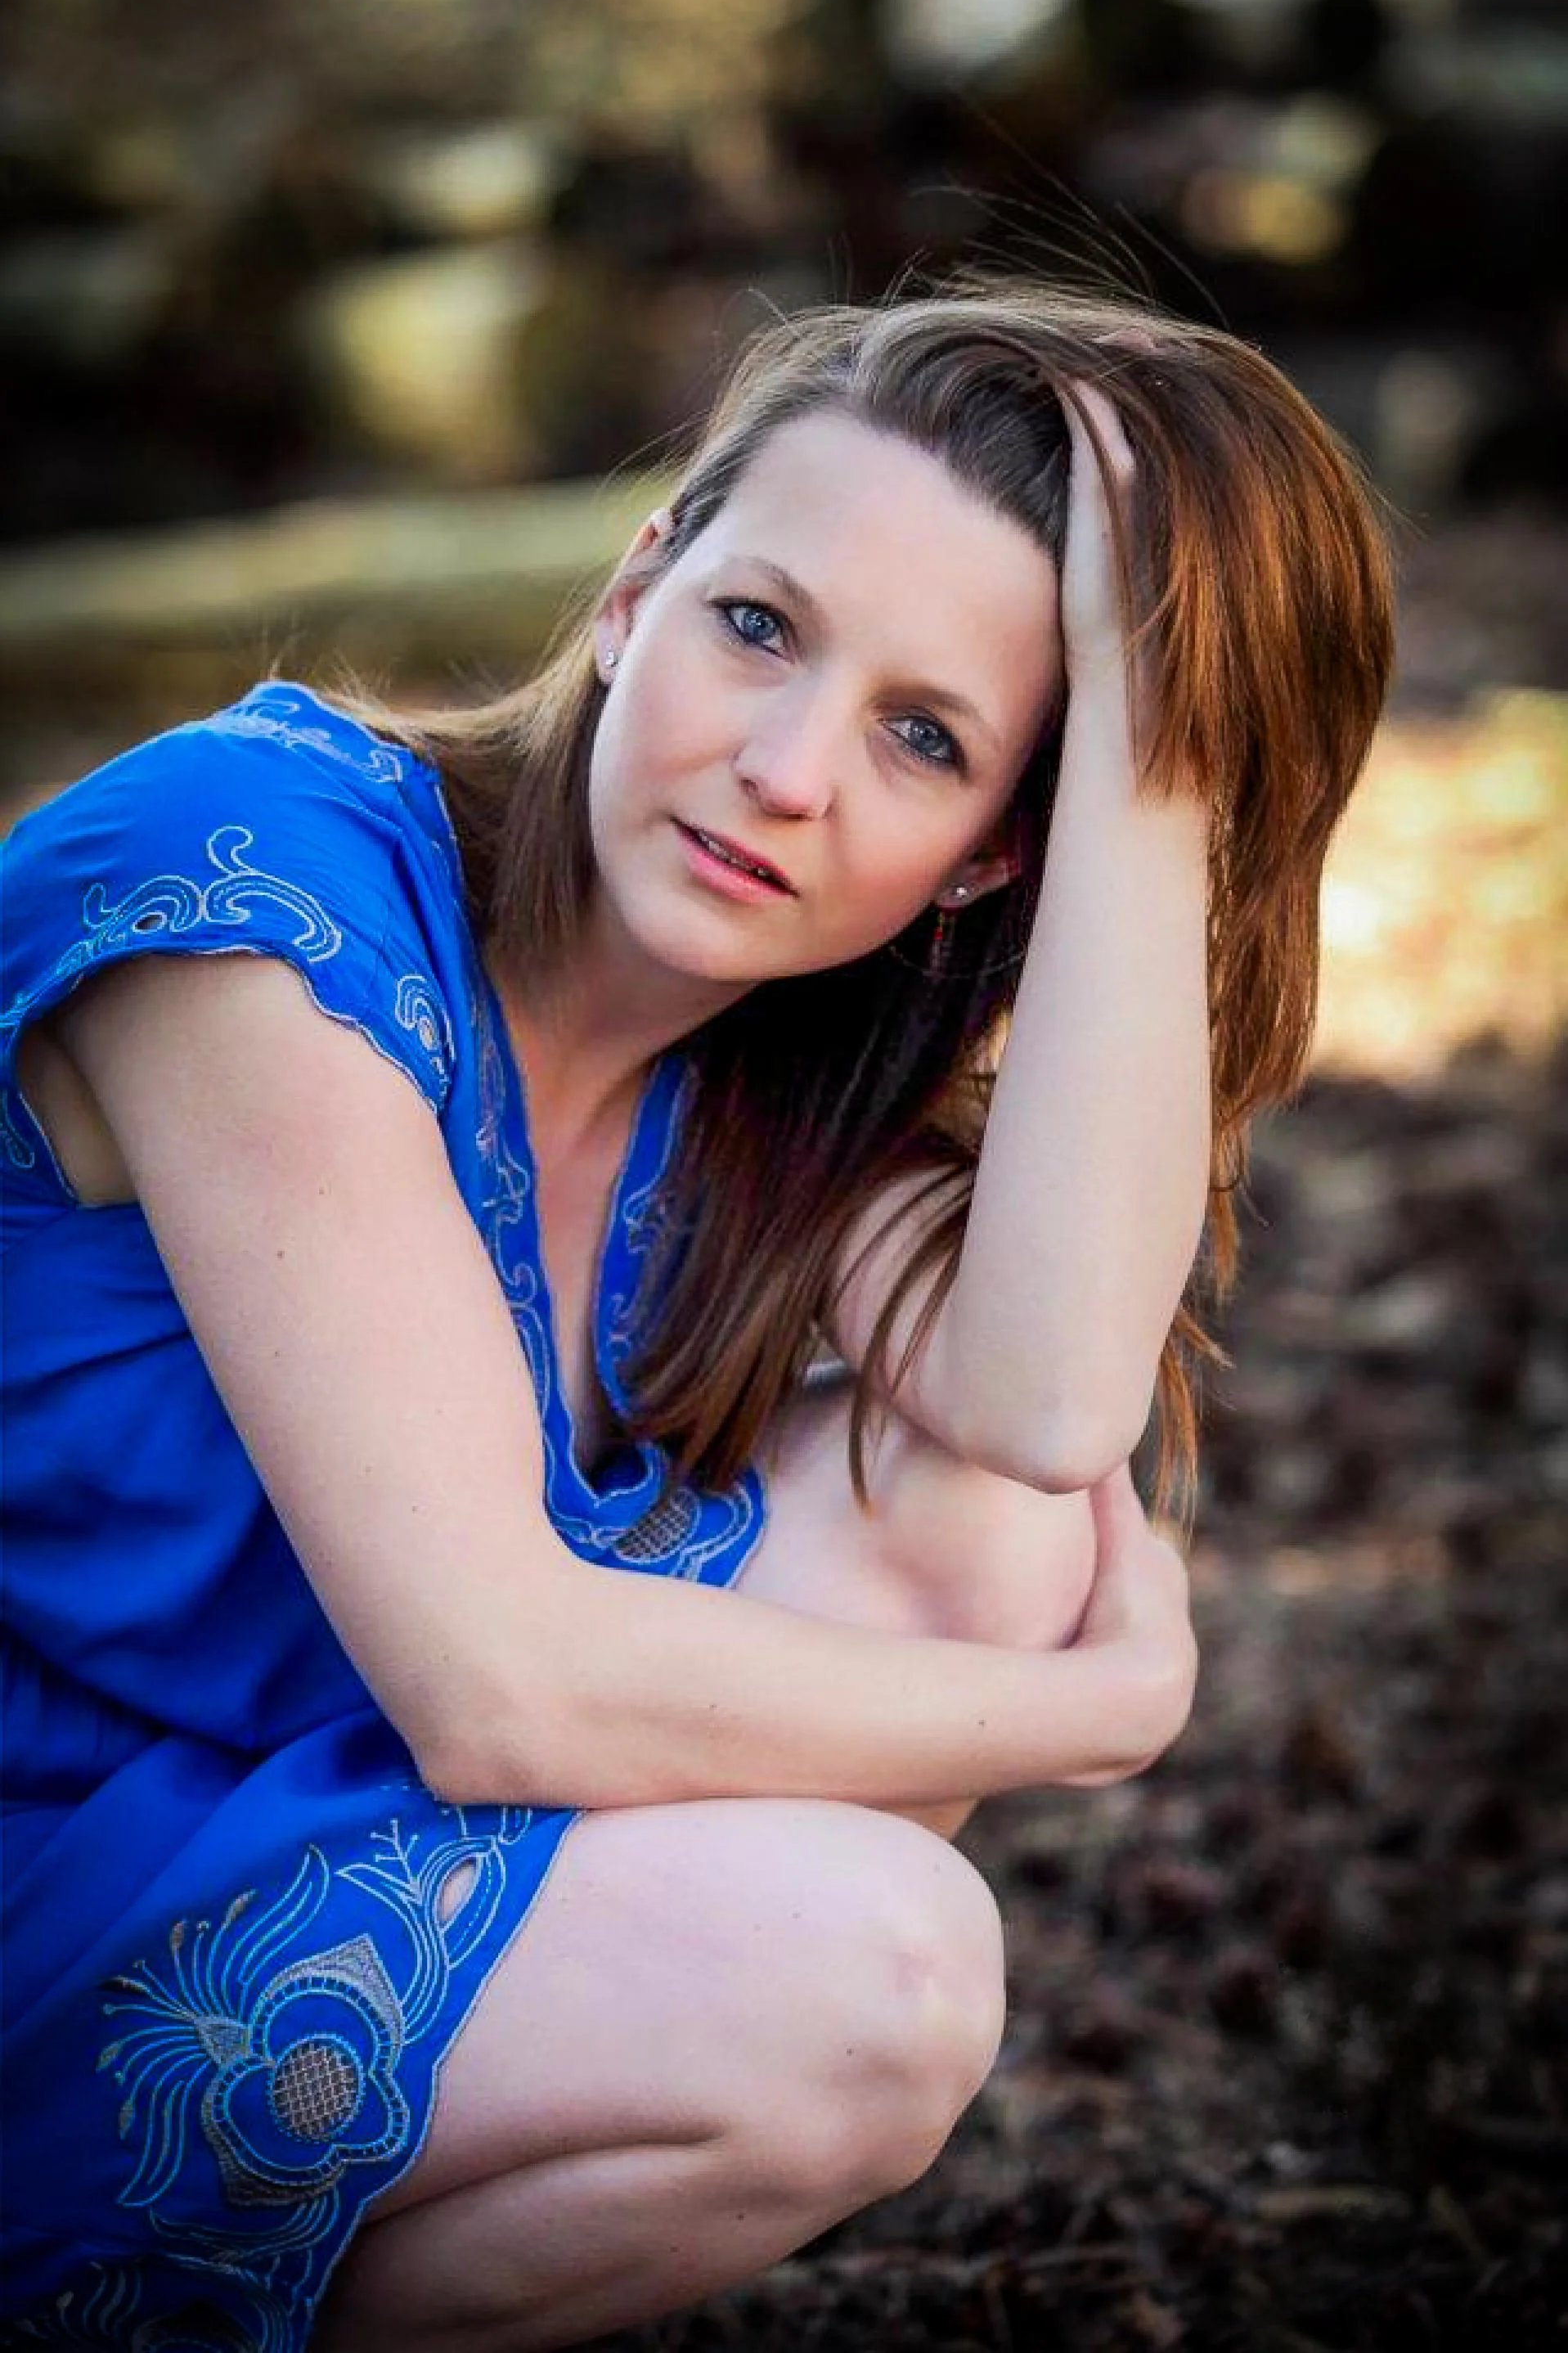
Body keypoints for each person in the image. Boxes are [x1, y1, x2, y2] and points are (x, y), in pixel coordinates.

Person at [0, 277, 1393, 2351]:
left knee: (984, 1528)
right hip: (50, 1858)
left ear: (988, 861)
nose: (783, 772)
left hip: (252, 1825)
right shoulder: (255, 892)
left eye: (925, 739)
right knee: (872, 1980)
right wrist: (1095, 1718)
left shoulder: (769, 1088)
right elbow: (498, 1692)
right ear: (633, 584)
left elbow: (1038, 1403)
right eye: (759, 626)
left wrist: (1154, 759)